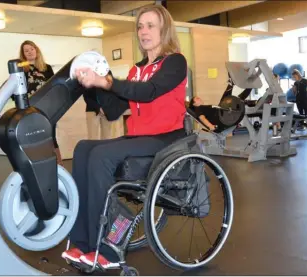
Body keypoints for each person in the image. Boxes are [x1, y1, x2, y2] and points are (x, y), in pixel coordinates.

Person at [61, 5, 187, 268]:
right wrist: (93, 85)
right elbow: (114, 111)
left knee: (101, 156)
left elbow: (149, 92)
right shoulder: (137, 69)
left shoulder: (175, 62)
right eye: (140, 26)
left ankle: (106, 247)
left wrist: (107, 81)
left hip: (167, 139)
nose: (144, 31)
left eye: (150, 25)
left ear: (164, 29)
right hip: (139, 137)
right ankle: (81, 243)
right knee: (84, 148)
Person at [18, 40, 62, 165]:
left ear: (36, 50)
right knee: (33, 137)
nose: (30, 52)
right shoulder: (21, 69)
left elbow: (54, 87)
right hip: (29, 109)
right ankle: (37, 164)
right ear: (23, 54)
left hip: (48, 109)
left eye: (32, 49)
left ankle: (58, 165)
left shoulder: (47, 68)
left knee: (50, 137)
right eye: (26, 51)